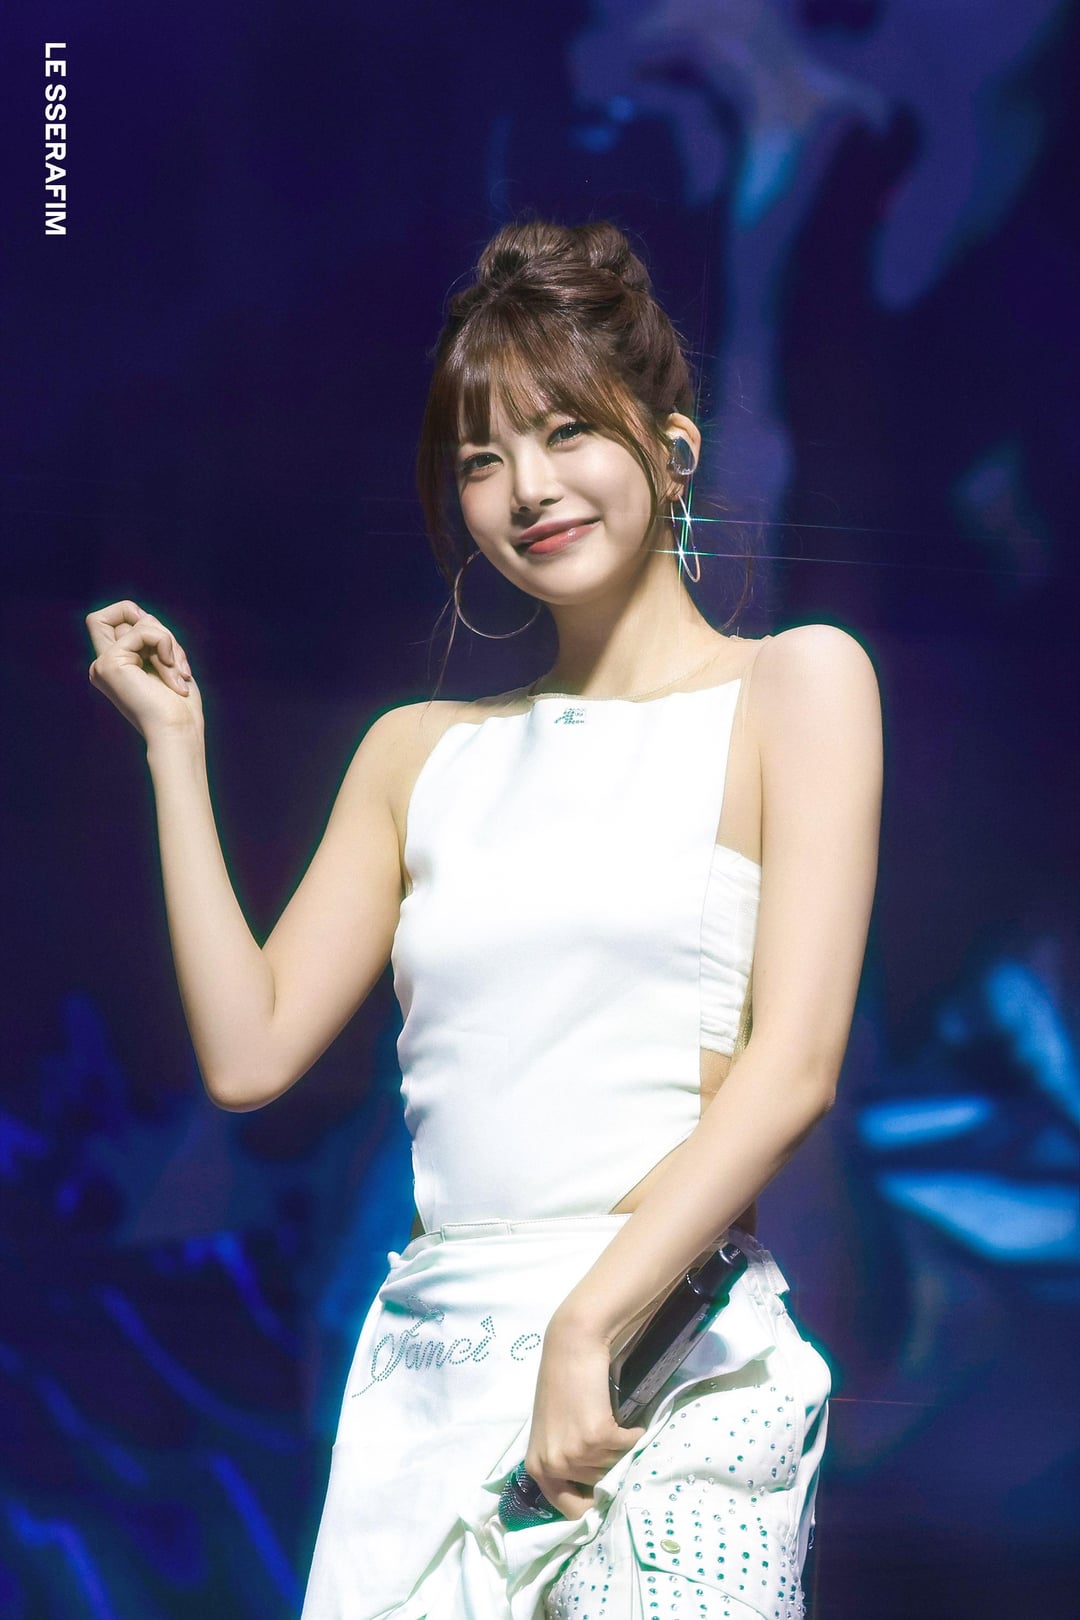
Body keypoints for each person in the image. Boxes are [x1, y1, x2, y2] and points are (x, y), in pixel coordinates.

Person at [85, 218, 883, 1619]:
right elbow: (250, 1053)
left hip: (671, 1363)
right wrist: (174, 746)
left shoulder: (796, 686)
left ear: (672, 446)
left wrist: (592, 1320)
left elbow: (795, 1066)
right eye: (480, 457)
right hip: (435, 1385)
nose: (528, 488)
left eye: (566, 431)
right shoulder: (416, 752)